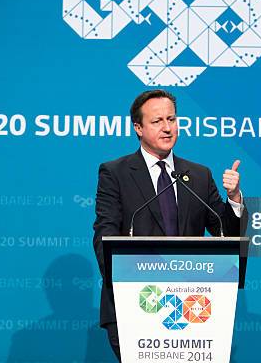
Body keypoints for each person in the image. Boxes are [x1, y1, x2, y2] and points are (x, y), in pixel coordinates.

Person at [92, 89, 247, 360]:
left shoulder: (197, 175)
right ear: (138, 128)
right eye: (157, 121)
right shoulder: (115, 173)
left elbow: (226, 234)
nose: (167, 128)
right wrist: (126, 279)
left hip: (193, 307)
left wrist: (233, 199)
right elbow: (104, 235)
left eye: (172, 119)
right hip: (135, 305)